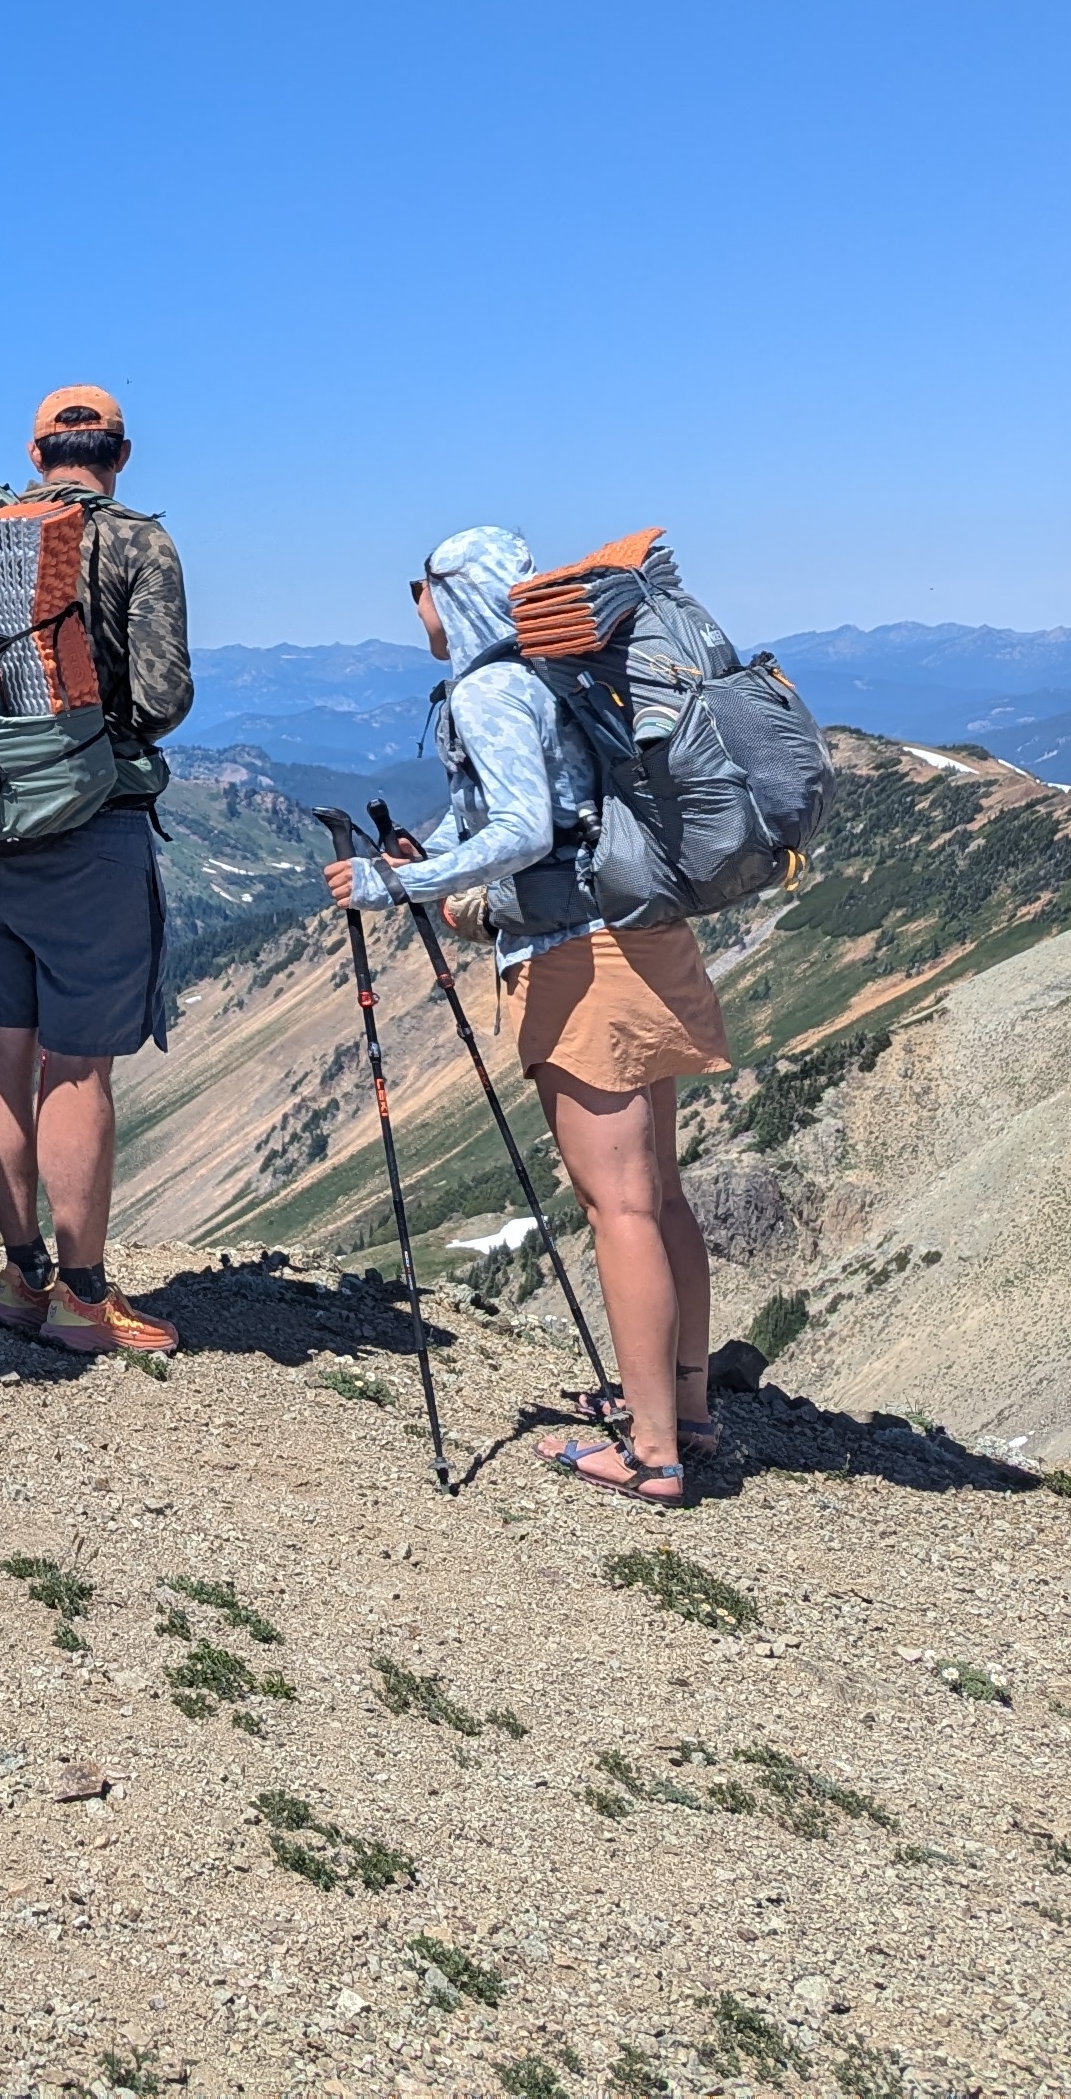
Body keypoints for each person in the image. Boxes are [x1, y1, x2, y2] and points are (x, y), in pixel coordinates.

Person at [322, 525, 727, 1504]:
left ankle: (654, 1454)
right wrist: (434, 866)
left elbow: (518, 831)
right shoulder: (555, 673)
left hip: (581, 963)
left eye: (421, 587)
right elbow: (529, 814)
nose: (414, 605)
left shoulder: (487, 687)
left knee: (618, 1205)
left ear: (456, 595)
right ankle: (685, 1411)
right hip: (639, 934)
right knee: (657, 1194)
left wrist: (396, 883)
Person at [0, 387, 192, 1357]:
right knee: (77, 1066)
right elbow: (165, 694)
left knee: (0, 1051)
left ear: (36, 452)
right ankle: (82, 1297)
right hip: (90, 830)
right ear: (121, 453)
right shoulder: (139, 544)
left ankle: (20, 1277)